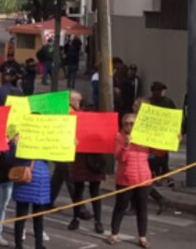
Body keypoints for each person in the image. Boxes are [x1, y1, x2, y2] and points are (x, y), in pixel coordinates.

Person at [109, 113, 151, 248]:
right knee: (120, 206)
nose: (128, 126)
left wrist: (174, 140)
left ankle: (142, 237)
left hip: (143, 178)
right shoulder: (119, 137)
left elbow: (159, 151)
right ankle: (114, 233)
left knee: (142, 208)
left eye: (132, 123)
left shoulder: (144, 136)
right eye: (126, 124)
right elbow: (120, 158)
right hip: (125, 179)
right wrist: (126, 145)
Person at [69, 104, 107, 234]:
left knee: (94, 192)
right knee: (78, 191)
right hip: (80, 160)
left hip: (95, 161)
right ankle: (76, 218)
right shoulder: (76, 124)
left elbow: (105, 139)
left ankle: (98, 221)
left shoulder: (99, 125)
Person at [11, 154, 51, 249]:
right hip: (41, 178)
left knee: (21, 216)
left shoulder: (21, 145)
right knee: (38, 216)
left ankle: (18, 245)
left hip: (24, 175)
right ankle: (39, 244)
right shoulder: (47, 147)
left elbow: (11, 156)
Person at [146, 82, 177, 189]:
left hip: (163, 133)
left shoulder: (167, 101)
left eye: (159, 90)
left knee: (162, 155)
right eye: (156, 90)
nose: (157, 93)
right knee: (153, 155)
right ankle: (157, 174)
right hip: (153, 133)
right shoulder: (149, 102)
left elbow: (174, 117)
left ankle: (163, 173)